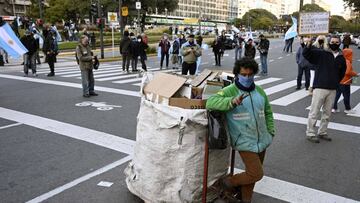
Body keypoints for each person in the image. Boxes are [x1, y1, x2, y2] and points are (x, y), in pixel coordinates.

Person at [206, 57, 275, 203]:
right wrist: (231, 102)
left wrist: (271, 131)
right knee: (256, 173)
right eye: (244, 74)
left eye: (250, 75)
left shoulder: (260, 91)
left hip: (262, 139)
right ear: (237, 74)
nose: (247, 77)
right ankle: (226, 183)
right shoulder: (230, 90)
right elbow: (211, 102)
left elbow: (268, 111)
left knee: (251, 176)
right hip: (243, 140)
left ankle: (246, 200)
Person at [303, 35, 346, 143]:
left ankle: (322, 132)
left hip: (332, 89)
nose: (335, 44)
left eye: (337, 42)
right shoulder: (322, 53)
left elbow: (342, 73)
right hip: (320, 87)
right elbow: (307, 54)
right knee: (314, 112)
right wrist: (308, 43)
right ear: (329, 42)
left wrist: (335, 81)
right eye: (333, 42)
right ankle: (310, 132)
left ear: (340, 43)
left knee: (327, 113)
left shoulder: (341, 57)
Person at [332, 48, 359, 114]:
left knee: (337, 94)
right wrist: (355, 74)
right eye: (351, 54)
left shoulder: (340, 60)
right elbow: (348, 72)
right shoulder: (347, 61)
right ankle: (348, 108)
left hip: (339, 80)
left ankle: (334, 108)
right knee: (346, 95)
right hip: (345, 81)